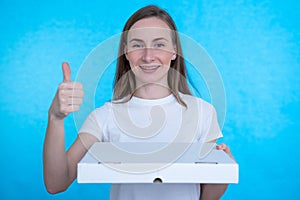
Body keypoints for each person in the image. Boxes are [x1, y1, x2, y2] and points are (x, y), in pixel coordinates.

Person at [43, 5, 235, 200]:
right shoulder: (104, 117)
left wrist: (223, 172)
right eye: (137, 45)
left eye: (159, 44)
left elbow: (204, 196)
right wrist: (55, 118)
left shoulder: (202, 113)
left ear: (174, 51)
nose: (148, 56)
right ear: (125, 52)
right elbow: (56, 183)